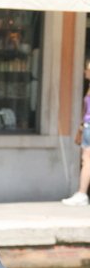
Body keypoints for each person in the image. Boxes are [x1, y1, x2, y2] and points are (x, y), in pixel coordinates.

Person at [62, 61, 90, 206]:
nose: (84, 72)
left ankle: (82, 193)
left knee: (87, 160)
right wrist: (81, 126)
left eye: (86, 69)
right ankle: (82, 193)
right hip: (86, 126)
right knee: (86, 159)